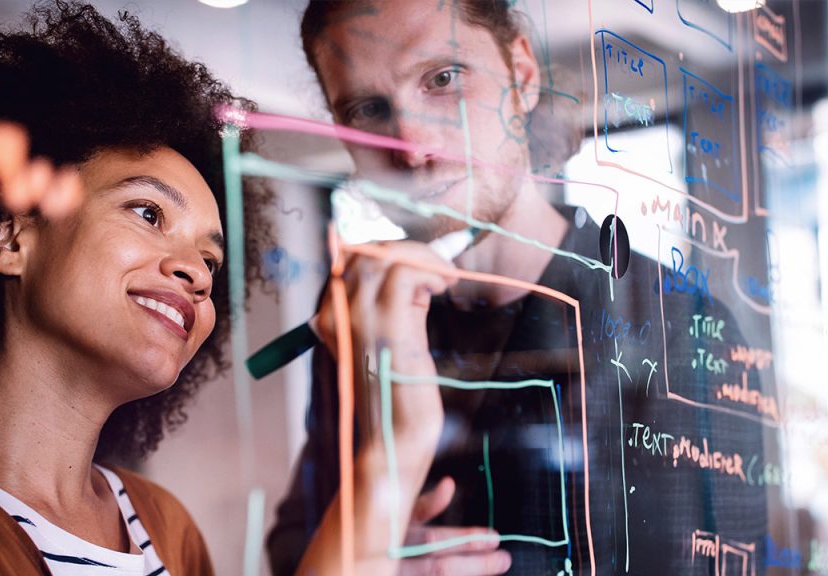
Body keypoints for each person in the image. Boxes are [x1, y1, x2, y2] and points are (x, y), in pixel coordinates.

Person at [0, 2, 456, 574]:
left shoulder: (162, 523)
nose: (195, 273)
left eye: (211, 260)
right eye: (148, 214)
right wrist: (397, 449)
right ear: (10, 239)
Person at [268, 1, 769, 575]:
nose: (411, 146)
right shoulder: (360, 313)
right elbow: (290, 546)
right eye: (367, 108)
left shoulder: (673, 321)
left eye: (443, 79)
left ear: (522, 75)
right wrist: (365, 552)